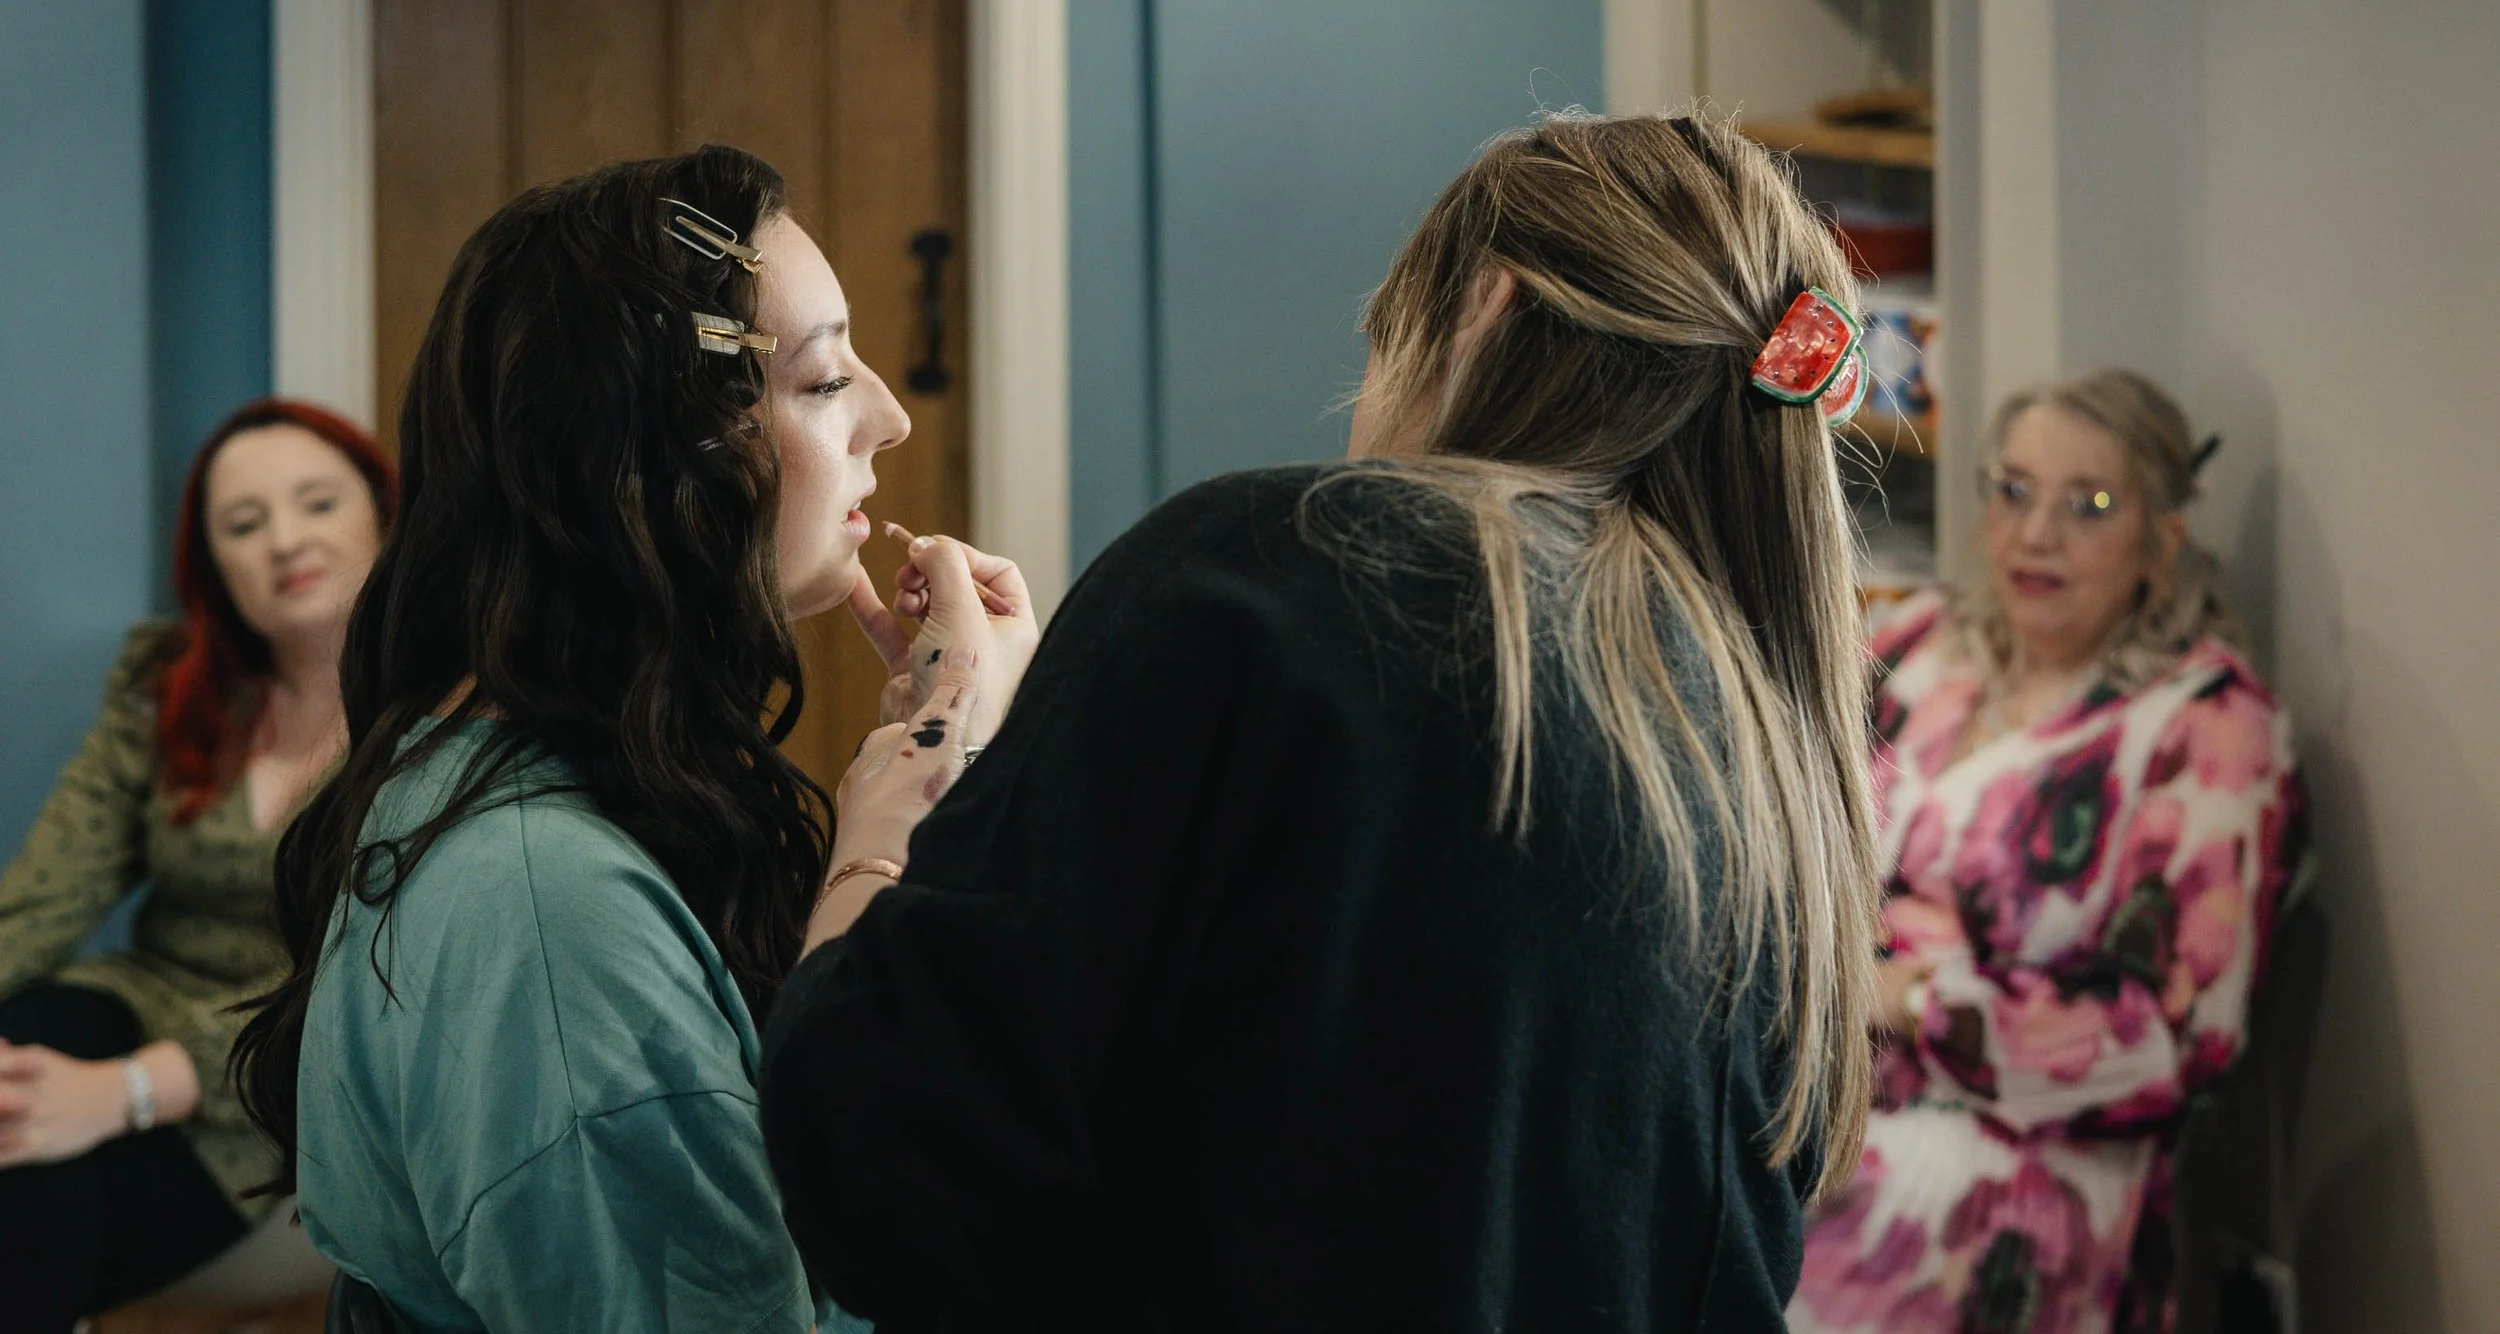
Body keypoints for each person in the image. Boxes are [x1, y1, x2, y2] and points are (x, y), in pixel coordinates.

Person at [760, 110, 1888, 1332]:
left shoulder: (1275, 573)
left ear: (1486, 314)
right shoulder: (1764, 737)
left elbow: (881, 1165)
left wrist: (916, 787)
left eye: (1378, 345)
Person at [229, 145, 1039, 1333]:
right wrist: (890, 835)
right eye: (820, 384)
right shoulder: (549, 917)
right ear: (654, 457)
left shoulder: (551, 776)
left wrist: (951, 762)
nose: (890, 416)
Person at [1787, 370, 2305, 1334]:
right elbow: (1782, 823)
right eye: (2015, 491)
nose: (2036, 535)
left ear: (2162, 540)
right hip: (1812, 1095)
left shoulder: (2208, 731)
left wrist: (1909, 999)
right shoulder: (1922, 642)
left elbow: (2169, 1040)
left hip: (2016, 1179)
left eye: (2091, 505)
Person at [0, 399, 394, 1331]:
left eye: (316, 504)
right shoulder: (173, 692)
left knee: (35, 1184)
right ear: (213, 564)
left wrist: (130, 1091)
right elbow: (44, 897)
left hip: (297, 1083)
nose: (283, 541)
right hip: (136, 1000)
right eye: (243, 525)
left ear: (386, 515)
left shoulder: (443, 722)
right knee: (20, 1062)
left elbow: (373, 1003)